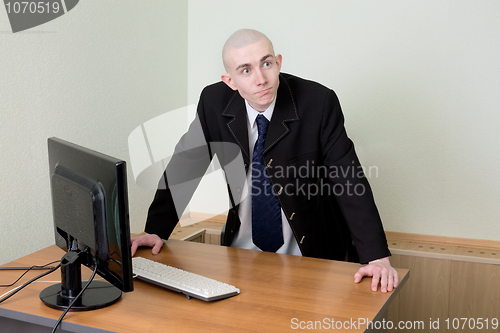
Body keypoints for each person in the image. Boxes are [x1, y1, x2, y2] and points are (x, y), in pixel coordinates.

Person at [132, 29, 399, 293]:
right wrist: (156, 230)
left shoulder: (318, 102)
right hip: (238, 255)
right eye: (246, 70)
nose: (261, 79)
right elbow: (184, 166)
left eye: (267, 64)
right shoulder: (213, 102)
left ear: (278, 62)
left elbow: (348, 178)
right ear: (230, 81)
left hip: (310, 257)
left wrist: (376, 257)